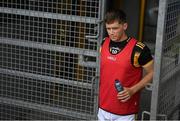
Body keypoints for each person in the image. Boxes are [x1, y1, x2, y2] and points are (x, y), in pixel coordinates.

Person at [98, 9, 154, 121]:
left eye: (115, 28)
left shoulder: (139, 49)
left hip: (125, 112)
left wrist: (132, 90)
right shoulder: (104, 42)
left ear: (124, 26)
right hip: (103, 108)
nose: (111, 32)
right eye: (108, 29)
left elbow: (153, 73)